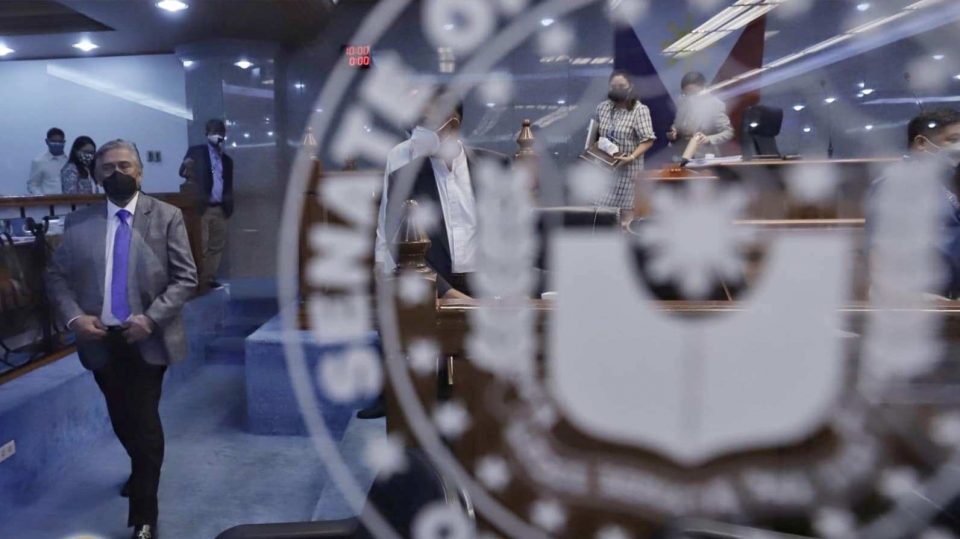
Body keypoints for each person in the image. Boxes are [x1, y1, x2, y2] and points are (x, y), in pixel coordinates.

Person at [46, 140, 198, 539]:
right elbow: (56, 276)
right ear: (97, 175)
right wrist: (75, 318)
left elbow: (186, 278)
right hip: (99, 339)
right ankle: (141, 468)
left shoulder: (166, 216)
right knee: (121, 417)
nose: (117, 173)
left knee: (144, 421)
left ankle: (144, 517)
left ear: (140, 172)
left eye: (125, 165)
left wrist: (151, 319)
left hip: (147, 337)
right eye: (108, 167)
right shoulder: (79, 223)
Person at [866, 108, 960, 298]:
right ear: (921, 143)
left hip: (947, 295)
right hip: (915, 297)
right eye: (953, 140)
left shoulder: (946, 179)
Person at [589, 71, 657, 210]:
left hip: (628, 173)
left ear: (630, 87)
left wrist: (631, 157)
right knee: (601, 214)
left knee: (625, 216)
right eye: (613, 86)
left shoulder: (639, 110)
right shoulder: (602, 108)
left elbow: (648, 140)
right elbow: (595, 135)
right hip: (604, 172)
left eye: (621, 86)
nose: (617, 89)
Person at [178, 119, 233, 290]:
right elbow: (182, 172)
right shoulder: (196, 152)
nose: (217, 135)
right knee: (200, 245)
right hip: (202, 207)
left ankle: (209, 279)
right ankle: (196, 281)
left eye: (220, 132)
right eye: (214, 132)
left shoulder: (226, 160)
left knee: (216, 247)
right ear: (207, 133)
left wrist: (228, 206)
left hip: (220, 208)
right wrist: (187, 165)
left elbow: (228, 184)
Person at [666, 71, 734, 160]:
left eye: (693, 93)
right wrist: (674, 131)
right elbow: (677, 125)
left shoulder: (714, 105)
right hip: (680, 155)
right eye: (686, 93)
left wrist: (708, 139)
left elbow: (728, 132)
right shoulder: (682, 103)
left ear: (703, 88)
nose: (690, 97)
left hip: (704, 157)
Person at [28, 127, 68, 195]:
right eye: (53, 141)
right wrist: (41, 197)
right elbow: (33, 185)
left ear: (64, 142)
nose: (57, 144)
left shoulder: (69, 161)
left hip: (68, 200)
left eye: (60, 142)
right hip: (47, 200)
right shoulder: (39, 161)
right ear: (47, 141)